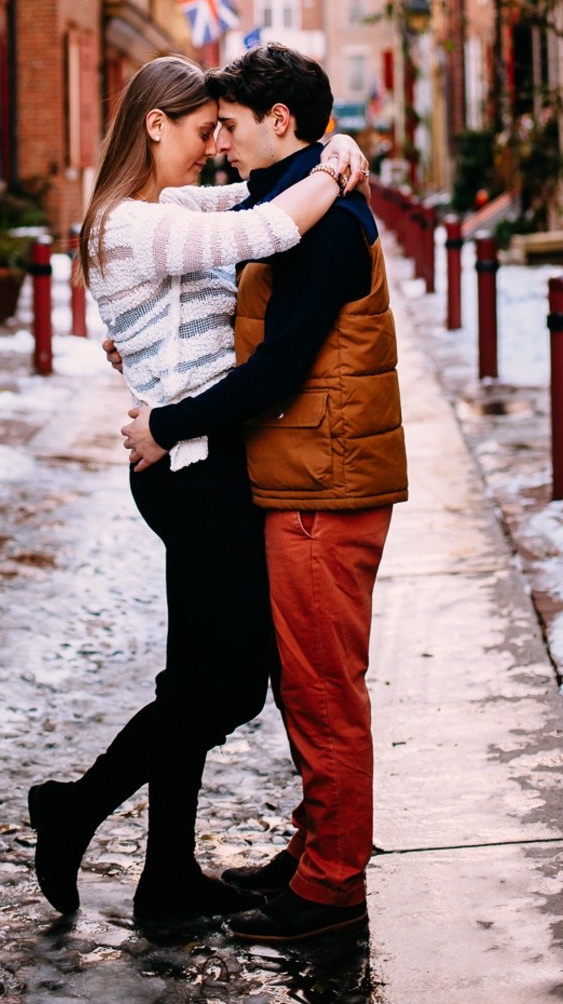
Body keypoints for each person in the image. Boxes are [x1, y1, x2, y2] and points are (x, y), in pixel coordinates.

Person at [26, 54, 365, 924]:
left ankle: (166, 878)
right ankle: (74, 811)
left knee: (191, 683)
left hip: (198, 458)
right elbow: (268, 231)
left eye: (225, 130)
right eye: (202, 130)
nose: (216, 148)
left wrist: (336, 148)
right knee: (228, 689)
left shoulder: (165, 209)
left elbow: (259, 197)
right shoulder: (130, 224)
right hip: (193, 468)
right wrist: (332, 163)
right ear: (153, 125)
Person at [122, 43, 408, 942]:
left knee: (324, 692)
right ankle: (316, 847)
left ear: (279, 123)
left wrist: (167, 426)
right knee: (304, 687)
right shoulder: (292, 200)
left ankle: (330, 888)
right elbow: (226, 231)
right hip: (304, 478)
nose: (221, 147)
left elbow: (279, 368)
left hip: (326, 484)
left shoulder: (320, 228)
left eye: (234, 128)